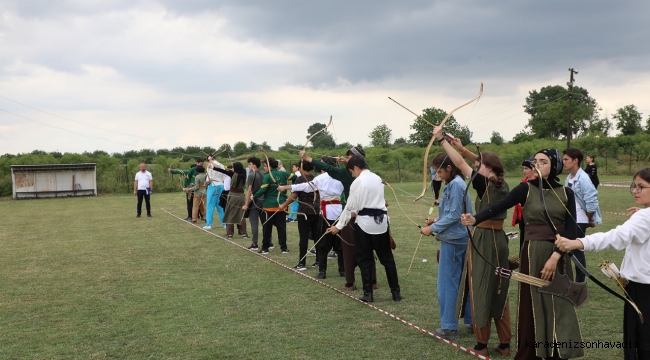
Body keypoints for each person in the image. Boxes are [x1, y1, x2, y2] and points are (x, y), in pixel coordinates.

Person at [461, 148, 583, 359]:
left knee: (558, 302)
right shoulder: (525, 189)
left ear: (554, 165)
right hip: (532, 253)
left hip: (559, 254)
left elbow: (571, 230)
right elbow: (499, 205)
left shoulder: (566, 193)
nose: (537, 164)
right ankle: (531, 353)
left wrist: (556, 256)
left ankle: (557, 352)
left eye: (543, 161)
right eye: (535, 161)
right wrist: (475, 219)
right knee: (531, 303)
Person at [556, 168, 650, 360]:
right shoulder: (645, 216)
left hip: (643, 292)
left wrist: (579, 242)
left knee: (643, 342)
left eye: (641, 187)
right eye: (634, 186)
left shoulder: (644, 218)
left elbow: (617, 237)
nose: (635, 190)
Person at [436, 126, 511, 356]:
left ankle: (481, 345)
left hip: (485, 241)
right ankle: (505, 344)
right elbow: (475, 162)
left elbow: (459, 164)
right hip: (499, 240)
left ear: (487, 169)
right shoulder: (501, 182)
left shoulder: (484, 184)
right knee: (501, 288)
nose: (475, 167)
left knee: (480, 287)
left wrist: (441, 140)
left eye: (479, 166)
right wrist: (463, 148)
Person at [300, 147, 378, 291]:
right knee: (368, 249)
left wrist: (308, 159)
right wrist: (347, 161)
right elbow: (361, 164)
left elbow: (327, 167)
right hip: (373, 216)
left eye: (349, 158)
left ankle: (349, 283)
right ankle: (372, 282)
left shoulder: (346, 174)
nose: (345, 159)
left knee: (348, 249)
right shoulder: (372, 174)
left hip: (354, 216)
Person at [327, 156, 401, 303]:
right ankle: (396, 293)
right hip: (381, 224)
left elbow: (350, 208)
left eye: (351, 172)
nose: (352, 175)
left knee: (365, 259)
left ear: (356, 168)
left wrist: (338, 226)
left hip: (365, 225)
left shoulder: (358, 182)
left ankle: (368, 294)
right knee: (387, 259)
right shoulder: (377, 178)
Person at [420, 153, 472, 340]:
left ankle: (449, 327)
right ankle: (471, 321)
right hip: (457, 237)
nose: (439, 175)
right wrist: (436, 219)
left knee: (448, 284)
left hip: (455, 240)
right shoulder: (453, 184)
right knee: (463, 281)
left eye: (440, 171)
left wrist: (431, 228)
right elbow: (450, 213)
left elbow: (455, 215)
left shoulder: (457, 185)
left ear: (449, 168)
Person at [280, 156, 345, 278]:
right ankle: (342, 270)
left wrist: (287, 187)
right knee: (339, 242)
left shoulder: (322, 178)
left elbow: (305, 186)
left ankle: (323, 272)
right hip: (339, 211)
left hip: (326, 212)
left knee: (323, 242)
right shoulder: (341, 176)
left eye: (321, 164)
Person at [563, 147, 602, 282]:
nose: (563, 162)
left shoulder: (583, 178)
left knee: (577, 251)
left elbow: (592, 200)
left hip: (580, 220)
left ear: (575, 161)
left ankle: (580, 282)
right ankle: (575, 280)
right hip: (572, 219)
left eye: (566, 159)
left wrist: (588, 218)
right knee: (571, 250)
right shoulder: (570, 177)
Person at [278, 161, 321, 273]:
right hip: (316, 210)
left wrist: (283, 205)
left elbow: (294, 195)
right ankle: (319, 260)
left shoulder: (300, 179)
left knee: (304, 237)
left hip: (304, 211)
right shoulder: (316, 178)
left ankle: (302, 263)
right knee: (317, 236)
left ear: (302, 168)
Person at [251, 157, 295, 254]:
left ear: (270, 166)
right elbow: (295, 177)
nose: (264, 168)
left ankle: (265, 248)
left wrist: (254, 196)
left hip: (269, 206)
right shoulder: (284, 174)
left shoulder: (267, 176)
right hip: (281, 205)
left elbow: (263, 189)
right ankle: (284, 248)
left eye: (265, 166)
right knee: (281, 227)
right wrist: (293, 188)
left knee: (267, 227)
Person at [213, 163, 248, 239]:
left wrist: (213, 167)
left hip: (233, 195)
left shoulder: (234, 174)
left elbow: (223, 171)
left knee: (229, 214)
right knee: (241, 214)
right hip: (241, 196)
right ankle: (244, 233)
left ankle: (230, 234)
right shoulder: (243, 174)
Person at [511, 157, 537, 249]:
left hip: (533, 218)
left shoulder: (538, 183)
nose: (524, 171)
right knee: (523, 241)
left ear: (533, 169)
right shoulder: (524, 182)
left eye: (526, 168)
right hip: (523, 217)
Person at [242, 157, 265, 250]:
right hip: (264, 201)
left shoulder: (252, 175)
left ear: (254, 165)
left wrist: (246, 204)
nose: (249, 166)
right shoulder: (264, 174)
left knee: (254, 223)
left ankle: (255, 244)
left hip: (255, 201)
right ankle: (269, 242)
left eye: (250, 164)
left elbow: (249, 191)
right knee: (265, 223)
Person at [203, 155, 227, 230]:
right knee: (220, 205)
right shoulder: (221, 165)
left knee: (210, 205)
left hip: (213, 186)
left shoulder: (210, 165)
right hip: (221, 185)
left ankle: (209, 224)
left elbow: (208, 179)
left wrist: (206, 183)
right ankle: (224, 224)